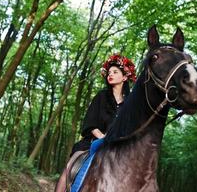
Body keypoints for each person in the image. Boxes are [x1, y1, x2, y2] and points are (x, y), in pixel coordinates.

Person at [55, 53, 136, 192]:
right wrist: (103, 137)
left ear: (124, 77)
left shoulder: (130, 104)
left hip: (119, 148)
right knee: (69, 168)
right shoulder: (101, 96)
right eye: (109, 72)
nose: (110, 74)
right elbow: (90, 123)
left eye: (115, 72)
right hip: (93, 142)